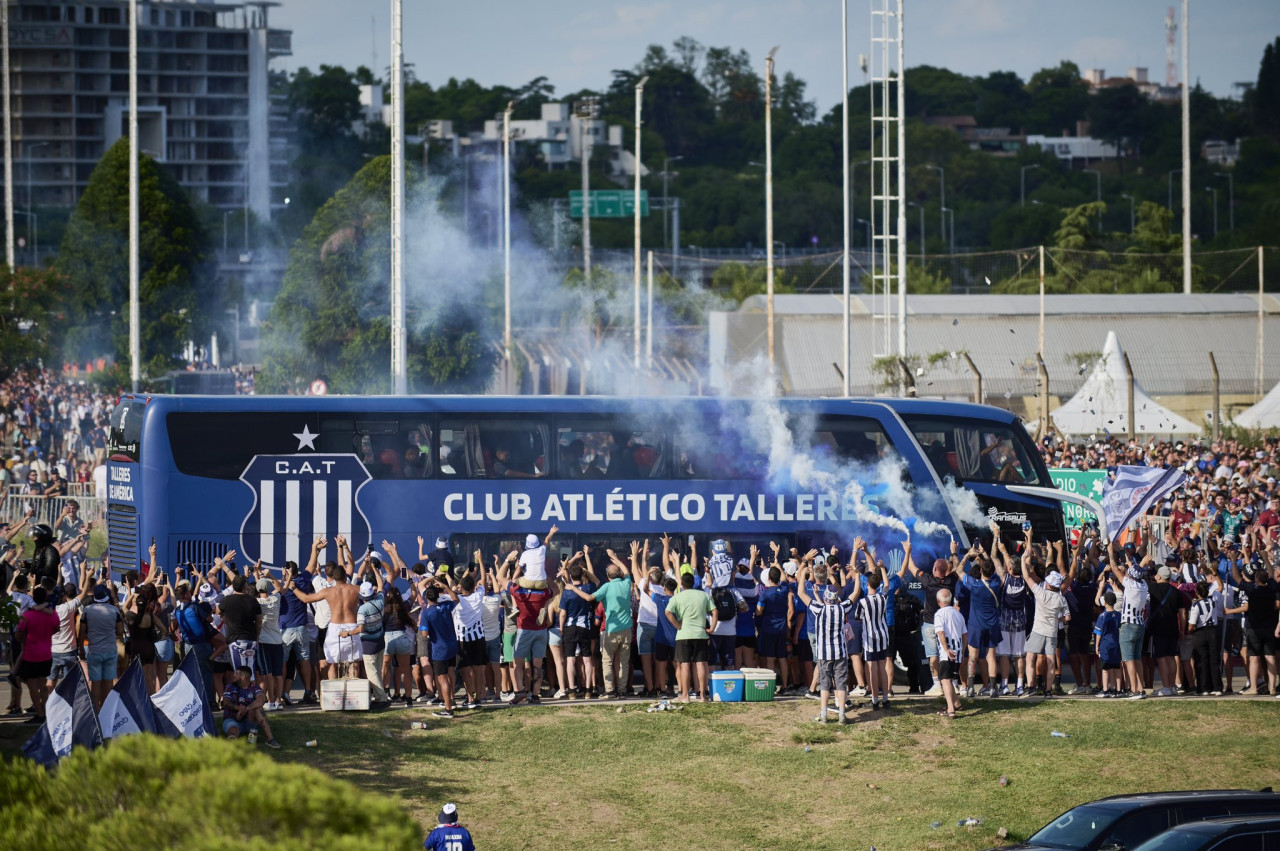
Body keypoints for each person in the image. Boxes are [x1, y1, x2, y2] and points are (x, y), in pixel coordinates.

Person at [564, 544, 636, 699]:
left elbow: (589, 598)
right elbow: (627, 571)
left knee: (607, 661)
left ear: (608, 576)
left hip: (611, 629)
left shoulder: (606, 588)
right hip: (627, 629)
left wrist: (573, 589)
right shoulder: (626, 583)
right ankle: (622, 690)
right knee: (623, 661)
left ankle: (610, 690)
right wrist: (615, 557)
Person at [795, 564, 854, 724]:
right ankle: (842, 715)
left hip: (824, 653)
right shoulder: (842, 609)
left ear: (825, 597)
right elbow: (855, 594)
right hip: (840, 653)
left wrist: (804, 577)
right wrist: (857, 575)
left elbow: (800, 592)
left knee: (825, 684)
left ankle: (824, 715)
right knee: (841, 685)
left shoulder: (819, 609)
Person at [289, 562, 361, 677]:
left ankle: (333, 694)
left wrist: (293, 587)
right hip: (352, 627)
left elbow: (306, 599)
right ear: (345, 577)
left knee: (332, 663)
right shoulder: (356, 589)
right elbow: (373, 594)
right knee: (354, 663)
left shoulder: (328, 591)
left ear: (333, 577)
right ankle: (353, 694)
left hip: (334, 629)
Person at [665, 572, 716, 703]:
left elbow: (668, 612)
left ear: (681, 583)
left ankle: (685, 695)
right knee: (701, 664)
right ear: (693, 583)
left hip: (684, 634)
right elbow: (715, 611)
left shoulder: (678, 597)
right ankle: (703, 695)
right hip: (700, 633)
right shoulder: (704, 595)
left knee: (685, 665)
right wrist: (712, 628)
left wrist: (677, 625)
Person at [15, 587, 59, 724]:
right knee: (44, 684)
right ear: (45, 598)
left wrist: (24, 639)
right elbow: (57, 628)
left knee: (33, 686)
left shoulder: (28, 615)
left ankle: (39, 714)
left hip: (30, 654)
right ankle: (46, 712)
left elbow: (18, 634)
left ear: (33, 598)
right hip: (46, 653)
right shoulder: (52, 615)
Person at [418, 574, 460, 718]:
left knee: (443, 680)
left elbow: (424, 634)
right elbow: (456, 599)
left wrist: (423, 628)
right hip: (452, 646)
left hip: (439, 650)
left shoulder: (426, 612)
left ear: (427, 598)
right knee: (450, 673)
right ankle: (452, 700)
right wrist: (446, 587)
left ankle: (448, 709)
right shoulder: (446, 606)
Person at [79, 582, 123, 710]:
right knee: (108, 683)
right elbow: (120, 631)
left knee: (95, 683)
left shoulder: (87, 611)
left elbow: (81, 632)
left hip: (94, 651)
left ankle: (96, 712)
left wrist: (81, 649)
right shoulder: (114, 610)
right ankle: (106, 712)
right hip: (110, 650)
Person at [350, 577, 392, 708]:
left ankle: (382, 699)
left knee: (372, 673)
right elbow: (380, 585)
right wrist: (375, 569)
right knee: (377, 671)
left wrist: (348, 633)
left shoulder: (362, 610)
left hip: (369, 645)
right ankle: (381, 697)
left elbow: (361, 628)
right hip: (380, 642)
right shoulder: (380, 601)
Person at [222, 665, 280, 749]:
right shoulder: (230, 686)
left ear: (243, 677)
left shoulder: (254, 687)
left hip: (250, 719)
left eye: (236, 674)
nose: (234, 675)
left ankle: (269, 739)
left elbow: (261, 699)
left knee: (256, 710)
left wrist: (246, 709)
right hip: (232, 719)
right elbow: (226, 702)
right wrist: (238, 708)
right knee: (233, 731)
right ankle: (232, 741)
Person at [933, 588, 966, 719]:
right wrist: (962, 651)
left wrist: (946, 649)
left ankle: (950, 709)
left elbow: (941, 632)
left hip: (948, 651)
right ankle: (957, 703)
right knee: (951, 679)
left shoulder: (939, 614)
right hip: (957, 651)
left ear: (938, 601)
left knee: (945, 679)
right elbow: (965, 634)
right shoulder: (958, 614)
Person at [1187, 581, 1223, 696]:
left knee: (1201, 661)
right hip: (1213, 631)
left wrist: (1189, 631)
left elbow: (1192, 624)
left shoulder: (1196, 606)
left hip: (1200, 633)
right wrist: (1215, 574)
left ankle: (1203, 688)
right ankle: (1217, 687)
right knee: (1214, 660)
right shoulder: (1213, 600)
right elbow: (1221, 587)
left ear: (1197, 592)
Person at [1092, 590, 1123, 696]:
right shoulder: (1119, 615)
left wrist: (1096, 645)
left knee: (1105, 669)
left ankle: (1105, 690)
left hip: (1105, 645)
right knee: (1116, 667)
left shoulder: (1102, 616)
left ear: (1105, 602)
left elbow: (1098, 633)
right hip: (1117, 644)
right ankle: (1117, 690)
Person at [516, 525, 558, 589]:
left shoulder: (525, 554)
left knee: (513, 586)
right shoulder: (542, 549)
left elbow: (519, 569)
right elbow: (547, 539)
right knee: (555, 589)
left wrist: (513, 579)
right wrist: (551, 532)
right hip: (541, 583)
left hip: (528, 582)